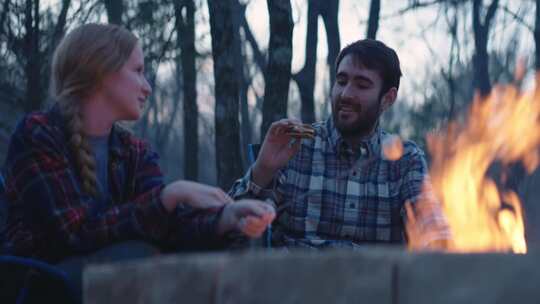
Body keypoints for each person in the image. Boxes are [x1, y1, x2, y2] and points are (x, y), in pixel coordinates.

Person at [1, 23, 275, 296]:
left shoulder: (133, 152)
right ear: (102, 71)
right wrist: (170, 196)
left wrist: (225, 219)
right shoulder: (38, 135)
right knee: (140, 255)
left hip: (115, 279)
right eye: (138, 71)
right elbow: (75, 234)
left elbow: (168, 228)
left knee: (181, 258)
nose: (147, 87)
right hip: (41, 285)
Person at [230, 39, 450, 250]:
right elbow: (230, 228)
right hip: (295, 284)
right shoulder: (296, 145)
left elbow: (430, 224)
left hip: (375, 287)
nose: (345, 94)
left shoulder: (404, 159)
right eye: (341, 81)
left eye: (362, 85)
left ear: (388, 98)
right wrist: (262, 171)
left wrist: (441, 247)